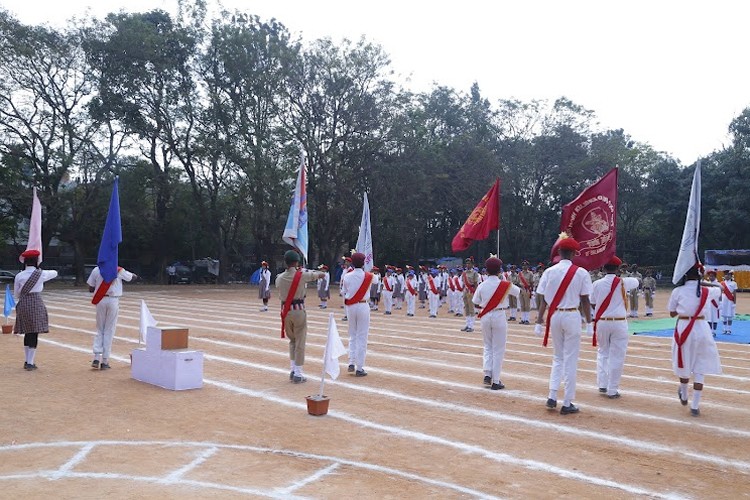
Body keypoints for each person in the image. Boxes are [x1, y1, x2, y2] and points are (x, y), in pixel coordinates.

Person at [535, 234, 593, 415]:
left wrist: (539, 320)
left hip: (555, 316)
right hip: (571, 315)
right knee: (570, 359)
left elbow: (543, 299)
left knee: (558, 357)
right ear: (574, 254)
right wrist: (589, 322)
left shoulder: (549, 272)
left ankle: (552, 395)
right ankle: (567, 401)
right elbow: (585, 300)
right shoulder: (582, 273)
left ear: (559, 252)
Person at [669, 264, 722, 416]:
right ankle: (695, 406)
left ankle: (684, 394)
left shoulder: (678, 291)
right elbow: (721, 289)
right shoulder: (707, 290)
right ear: (700, 275)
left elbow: (672, 313)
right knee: (700, 367)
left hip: (684, 327)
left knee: (683, 360)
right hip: (702, 327)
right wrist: (704, 282)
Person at [590, 255, 639, 399]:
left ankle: (602, 384)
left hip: (603, 321)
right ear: (618, 269)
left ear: (603, 268)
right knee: (617, 356)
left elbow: (593, 302)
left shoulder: (596, 284)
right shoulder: (624, 282)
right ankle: (612, 389)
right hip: (619, 322)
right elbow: (636, 281)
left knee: (603, 353)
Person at [275, 250, 325, 383]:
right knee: (300, 342)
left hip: (285, 311)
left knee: (292, 341)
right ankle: (298, 372)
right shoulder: (301, 275)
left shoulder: (279, 277)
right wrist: (308, 270)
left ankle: (293, 369)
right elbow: (321, 275)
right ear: (296, 262)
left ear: (285, 262)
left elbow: (279, 288)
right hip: (298, 310)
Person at [473, 256, 520, 390]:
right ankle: (496, 380)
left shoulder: (482, 285)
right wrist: (504, 279)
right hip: (499, 315)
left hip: (486, 315)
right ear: (500, 270)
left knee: (488, 345)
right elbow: (517, 292)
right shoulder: (504, 285)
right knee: (498, 349)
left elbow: (475, 302)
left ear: (486, 271)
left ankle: (487, 373)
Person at [14, 249, 58, 371]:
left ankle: (27, 360)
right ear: (36, 260)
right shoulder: (41, 274)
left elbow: (17, 294)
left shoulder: (19, 275)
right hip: (36, 302)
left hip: (23, 303)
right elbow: (55, 273)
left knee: (27, 332)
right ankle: (30, 362)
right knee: (34, 332)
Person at [87, 264, 137, 370]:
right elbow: (131, 278)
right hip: (113, 300)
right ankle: (105, 361)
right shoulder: (118, 270)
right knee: (109, 329)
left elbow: (91, 288)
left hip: (100, 300)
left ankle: (96, 357)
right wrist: (133, 275)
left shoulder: (96, 269)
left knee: (100, 329)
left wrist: (100, 285)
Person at [342, 252, 374, 377]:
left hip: (351, 306)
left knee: (352, 334)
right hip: (363, 305)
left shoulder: (347, 276)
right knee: (362, 336)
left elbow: (345, 291)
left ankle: (351, 361)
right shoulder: (369, 276)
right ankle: (359, 367)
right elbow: (377, 279)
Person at [461, 258, 480, 332]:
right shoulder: (464, 273)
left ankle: (471, 326)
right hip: (465, 291)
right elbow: (463, 283)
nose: (467, 265)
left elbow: (475, 283)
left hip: (471, 291)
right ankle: (467, 324)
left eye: (469, 263)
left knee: (471, 308)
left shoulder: (474, 273)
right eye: (467, 263)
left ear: (472, 264)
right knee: (467, 308)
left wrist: (475, 292)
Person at [704, 270, 720, 336]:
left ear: (715, 277)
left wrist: (720, 303)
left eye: (712, 276)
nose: (711, 277)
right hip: (709, 303)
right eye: (710, 276)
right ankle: (710, 331)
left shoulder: (718, 284)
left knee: (715, 318)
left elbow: (720, 294)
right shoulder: (707, 284)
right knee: (709, 317)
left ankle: (714, 331)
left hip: (716, 303)